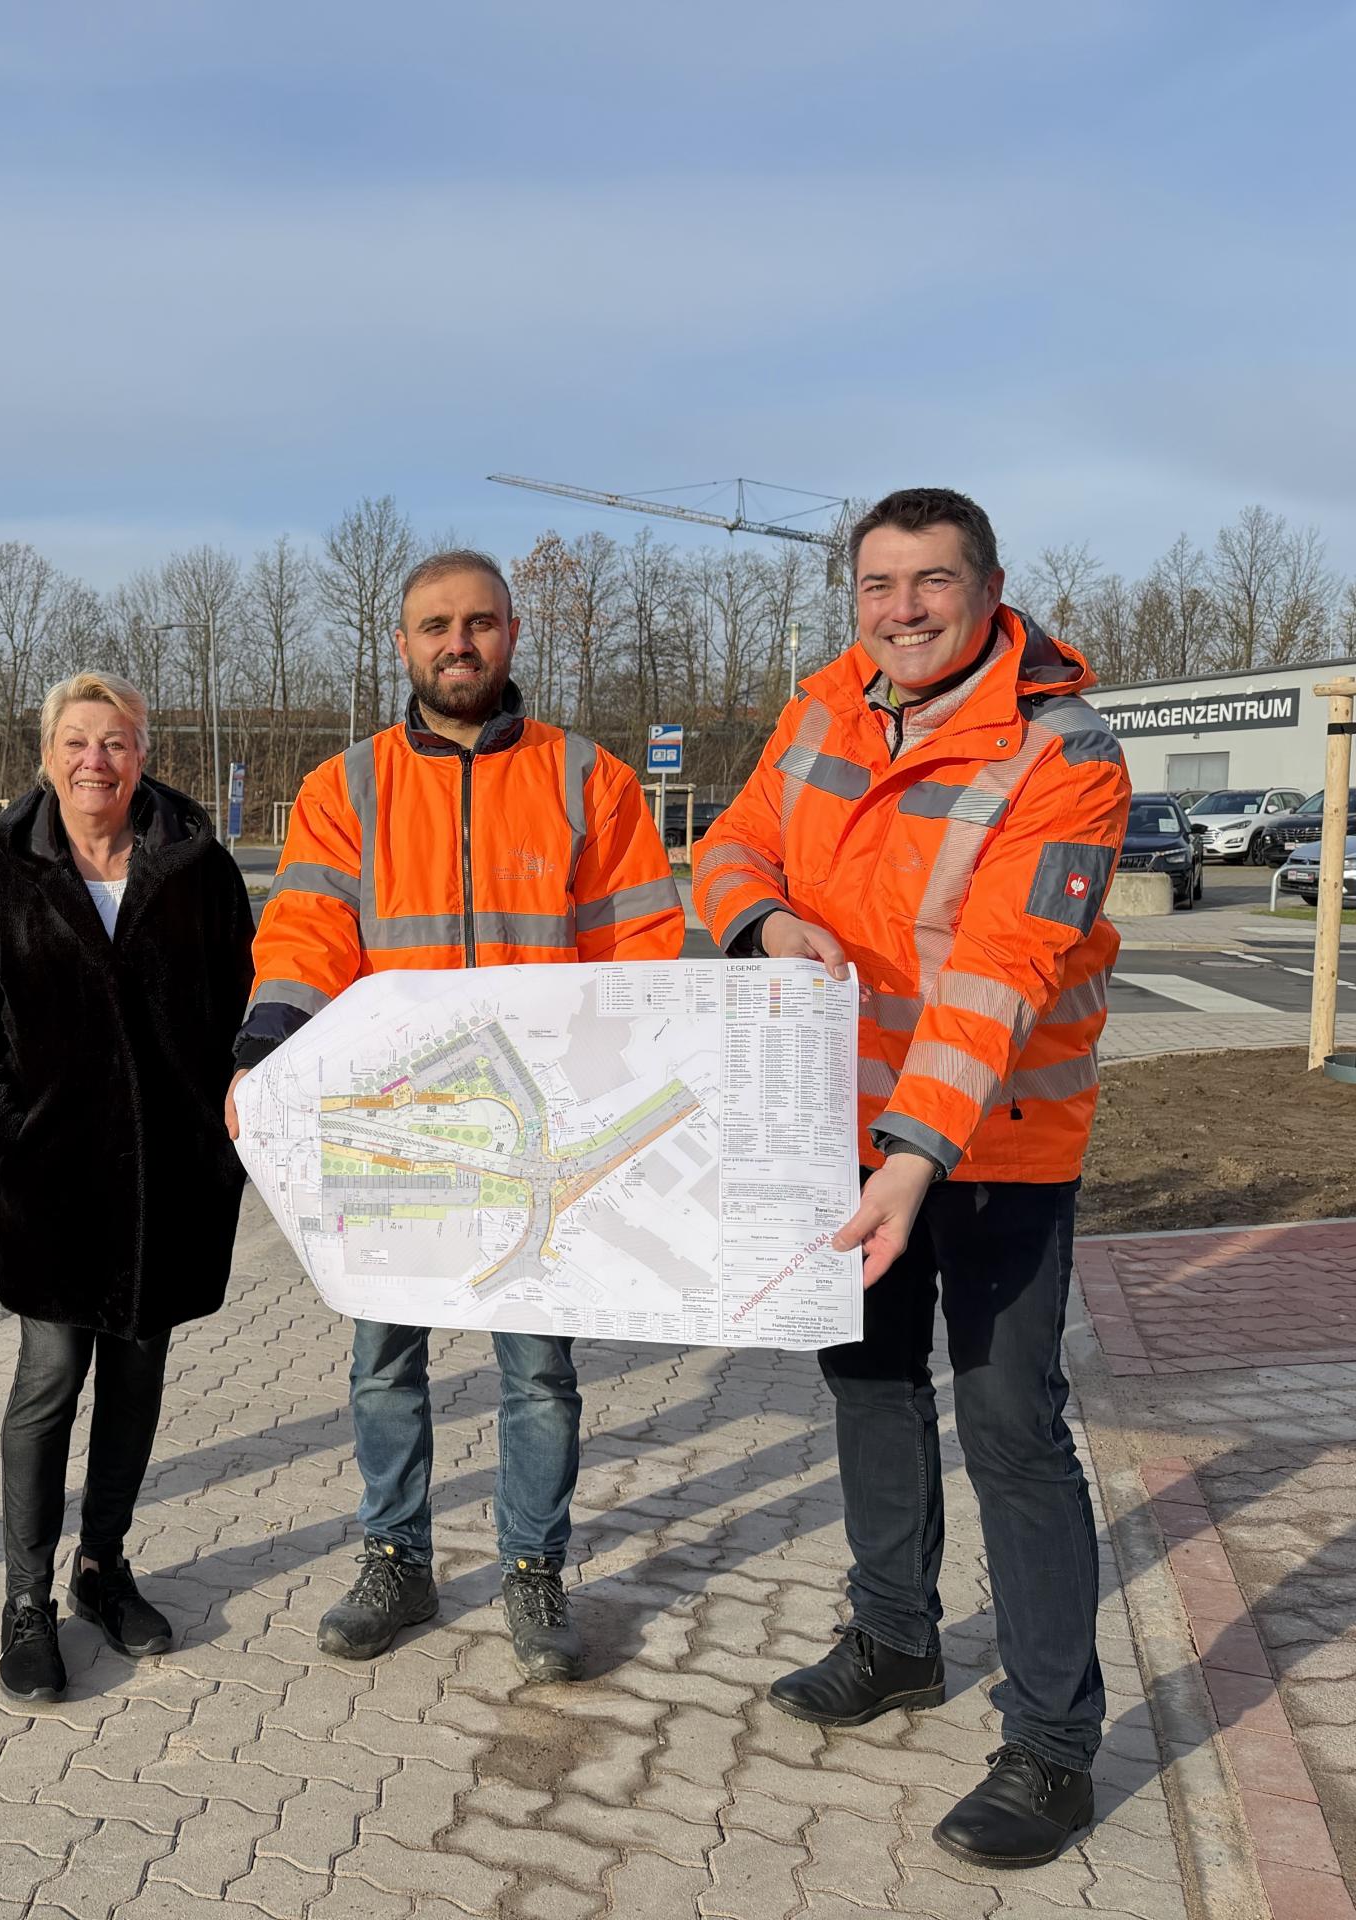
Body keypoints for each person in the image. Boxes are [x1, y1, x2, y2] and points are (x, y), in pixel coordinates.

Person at [693, 488, 1129, 1869]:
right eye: (878, 586)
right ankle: (894, 1639)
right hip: (837, 1131)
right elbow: (734, 843)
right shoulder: (824, 706)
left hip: (989, 1146)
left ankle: (1054, 1747)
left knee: (1010, 1427)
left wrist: (917, 1154)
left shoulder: (1065, 752)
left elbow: (1004, 968)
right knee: (870, 1385)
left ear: (992, 587)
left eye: (931, 582)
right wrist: (760, 917)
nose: (902, 611)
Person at [230, 549, 684, 1679]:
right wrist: (261, 1055)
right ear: (402, 643)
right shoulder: (348, 788)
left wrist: (624, 1086)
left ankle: (533, 1572)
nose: (458, 644)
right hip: (396, 1134)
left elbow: (644, 953)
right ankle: (398, 1559)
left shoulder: (591, 781)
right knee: (385, 1363)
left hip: (541, 1134)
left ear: (513, 634)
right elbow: (303, 938)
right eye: (435, 625)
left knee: (538, 1371)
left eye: (479, 622)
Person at [0, 670, 255, 1702]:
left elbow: (244, 1002)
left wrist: (226, 1126)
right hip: (50, 1183)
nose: (94, 761)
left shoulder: (197, 867)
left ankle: (100, 1569)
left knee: (139, 1371)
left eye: (114, 741)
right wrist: (11, 1140)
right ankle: (25, 1597)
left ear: (141, 753)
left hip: (166, 1177)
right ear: (47, 754)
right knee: (50, 1374)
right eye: (76, 741)